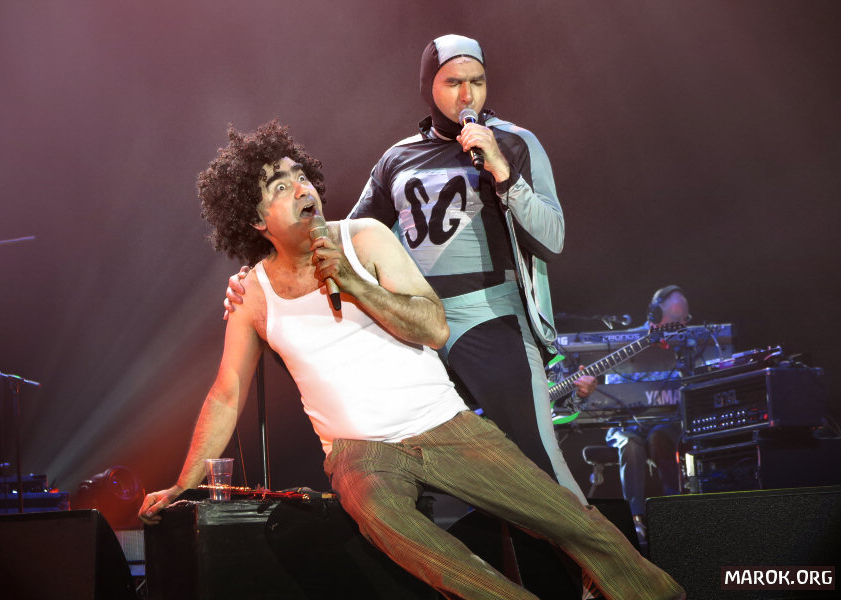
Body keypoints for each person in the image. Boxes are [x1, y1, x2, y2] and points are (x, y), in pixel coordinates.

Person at [140, 121, 685, 600]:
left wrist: (355, 284)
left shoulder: (365, 238)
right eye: (279, 187)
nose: (301, 188)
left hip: (444, 424)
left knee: (569, 520)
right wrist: (184, 483)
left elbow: (434, 326)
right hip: (361, 452)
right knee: (397, 528)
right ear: (257, 221)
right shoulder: (253, 296)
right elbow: (228, 392)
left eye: (299, 175)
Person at [223, 34, 594, 501]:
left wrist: (502, 170)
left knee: (538, 462)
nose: (468, 95)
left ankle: (593, 550)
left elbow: (553, 239)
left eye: (477, 81)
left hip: (490, 316)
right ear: (428, 87)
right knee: (439, 471)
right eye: (453, 82)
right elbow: (341, 238)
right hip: (414, 325)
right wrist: (258, 276)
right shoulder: (397, 159)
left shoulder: (515, 142)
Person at [604, 286, 692, 545]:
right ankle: (636, 521)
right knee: (630, 444)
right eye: (676, 319)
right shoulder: (628, 342)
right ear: (655, 314)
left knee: (660, 436)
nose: (682, 325)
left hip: (664, 422)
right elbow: (612, 387)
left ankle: (673, 511)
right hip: (627, 422)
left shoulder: (685, 345)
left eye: (685, 319)